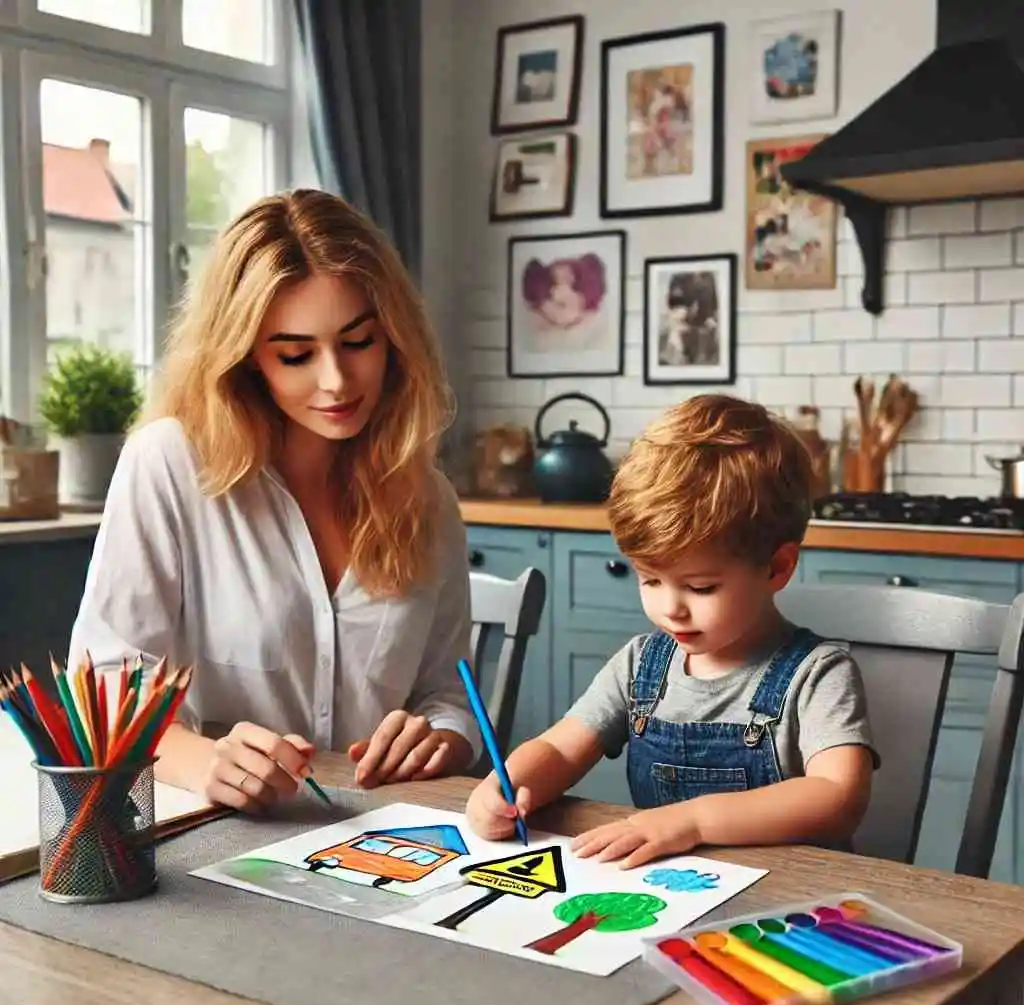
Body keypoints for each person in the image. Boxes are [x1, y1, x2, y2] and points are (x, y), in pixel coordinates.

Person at [69, 188, 480, 814]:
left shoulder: (427, 498)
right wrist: (203, 762)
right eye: (295, 355)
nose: (336, 381)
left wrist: (441, 738)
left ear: (395, 338)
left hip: (385, 838)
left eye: (359, 342)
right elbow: (102, 689)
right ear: (246, 358)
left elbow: (449, 692)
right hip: (221, 836)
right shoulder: (172, 465)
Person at [466, 394, 877, 868]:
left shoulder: (818, 675)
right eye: (650, 580)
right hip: (674, 899)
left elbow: (838, 796)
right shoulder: (641, 666)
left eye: (700, 587)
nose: (670, 609)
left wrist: (693, 822)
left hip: (789, 910)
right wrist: (507, 783)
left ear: (777, 567)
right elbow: (561, 746)